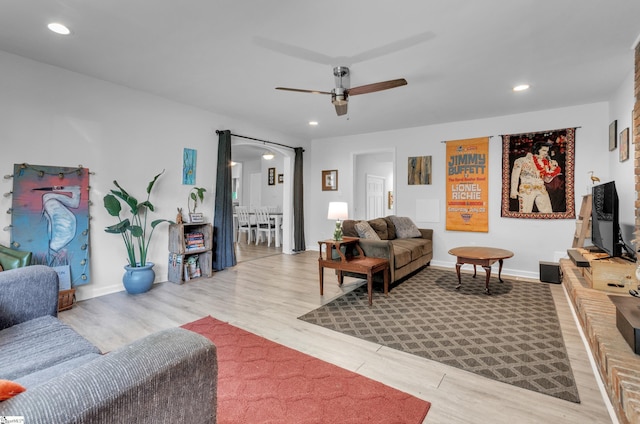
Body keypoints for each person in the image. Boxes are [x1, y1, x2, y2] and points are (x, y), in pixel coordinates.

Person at [510, 141, 561, 213]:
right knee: (525, 212)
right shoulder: (521, 161)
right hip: (527, 189)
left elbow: (546, 180)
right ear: (537, 150)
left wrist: (553, 170)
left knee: (548, 212)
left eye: (547, 151)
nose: (546, 153)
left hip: (541, 189)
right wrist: (513, 190)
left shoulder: (544, 163)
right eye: (543, 150)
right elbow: (515, 176)